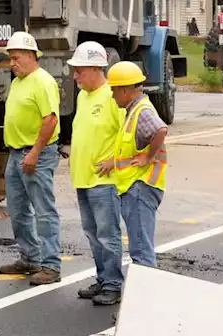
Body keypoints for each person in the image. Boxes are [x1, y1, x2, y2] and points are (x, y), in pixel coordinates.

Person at [98, 61, 168, 294]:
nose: (112, 95)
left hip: (140, 188)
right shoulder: (134, 110)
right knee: (140, 247)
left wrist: (149, 157)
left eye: (114, 90)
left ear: (125, 90)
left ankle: (145, 304)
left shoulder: (142, 111)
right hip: (136, 186)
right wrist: (114, 163)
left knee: (141, 251)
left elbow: (160, 130)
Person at [0, 31, 63, 285]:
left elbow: (50, 119)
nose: (11, 63)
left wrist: (35, 152)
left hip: (36, 153)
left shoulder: (42, 82)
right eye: (10, 59)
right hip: (17, 153)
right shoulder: (18, 82)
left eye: (15, 58)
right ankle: (30, 257)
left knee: (43, 211)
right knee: (17, 210)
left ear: (29, 55)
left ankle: (51, 265)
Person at [66, 41, 126, 306]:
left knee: (107, 233)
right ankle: (103, 278)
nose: (75, 75)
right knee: (92, 233)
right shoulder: (83, 95)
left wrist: (115, 160)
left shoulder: (113, 97)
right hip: (83, 177)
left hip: (104, 181)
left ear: (94, 68)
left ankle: (113, 283)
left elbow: (131, 133)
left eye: (79, 70)